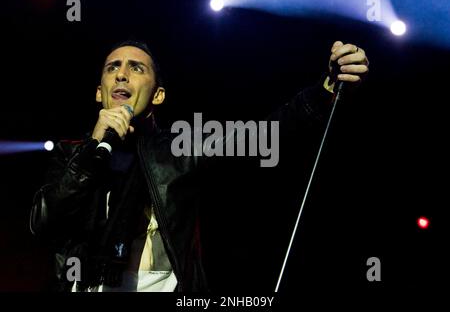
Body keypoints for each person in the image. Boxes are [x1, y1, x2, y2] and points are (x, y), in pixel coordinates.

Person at [30, 39, 369, 292]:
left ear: (158, 95)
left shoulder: (181, 147)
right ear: (98, 92)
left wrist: (325, 91)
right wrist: (91, 151)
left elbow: (266, 136)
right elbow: (43, 224)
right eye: (112, 67)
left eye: (136, 68)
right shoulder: (70, 153)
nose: (121, 74)